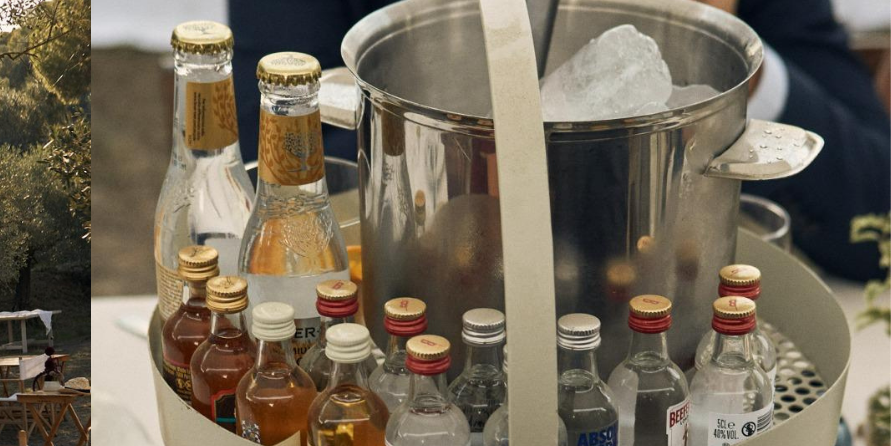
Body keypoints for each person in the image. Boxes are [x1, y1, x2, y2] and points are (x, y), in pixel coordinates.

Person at [228, 0, 891, 281]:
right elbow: (279, 172)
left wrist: (730, 60)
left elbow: (877, 215)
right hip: (421, 315)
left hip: (672, 320)